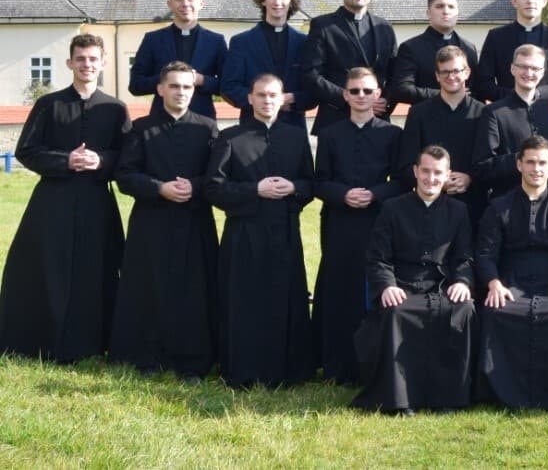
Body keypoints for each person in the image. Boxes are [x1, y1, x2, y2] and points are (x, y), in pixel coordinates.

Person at [0, 34, 130, 362]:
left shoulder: (115, 109)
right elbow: (26, 151)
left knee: (96, 268)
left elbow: (127, 158)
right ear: (70, 63)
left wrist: (100, 161)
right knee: (44, 266)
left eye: (93, 59)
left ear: (102, 63)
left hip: (96, 199)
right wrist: (65, 161)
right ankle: (38, 340)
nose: (87, 65)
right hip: (52, 199)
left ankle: (91, 342)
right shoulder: (49, 104)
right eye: (81, 59)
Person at [109, 61, 220, 378]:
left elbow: (216, 176)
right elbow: (125, 175)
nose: (181, 92)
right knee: (149, 287)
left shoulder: (207, 127)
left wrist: (194, 187)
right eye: (174, 86)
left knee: (194, 290)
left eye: (187, 87)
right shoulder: (141, 129)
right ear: (160, 89)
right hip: (151, 221)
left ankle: (193, 360)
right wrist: (159, 188)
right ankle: (147, 357)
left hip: (194, 220)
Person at [206, 73, 315, 387]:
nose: (268, 101)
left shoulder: (296, 138)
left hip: (285, 231)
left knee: (286, 298)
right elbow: (214, 189)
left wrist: (293, 186)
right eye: (261, 95)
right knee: (244, 301)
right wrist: (256, 189)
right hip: (244, 233)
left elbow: (310, 185)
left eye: (273, 95)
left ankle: (289, 371)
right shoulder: (231, 138)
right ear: (250, 99)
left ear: (282, 100)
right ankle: (243, 371)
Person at [352, 145, 477, 414]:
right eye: (426, 171)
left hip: (442, 286)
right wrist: (387, 285)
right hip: (403, 284)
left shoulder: (458, 210)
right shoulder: (392, 208)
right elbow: (377, 258)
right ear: (415, 171)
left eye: (438, 173)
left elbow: (465, 257)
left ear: (447, 176)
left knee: (463, 308)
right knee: (396, 311)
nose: (431, 179)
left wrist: (462, 282)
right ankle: (400, 400)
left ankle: (449, 398)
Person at [477, 137, 548, 412]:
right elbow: (485, 253)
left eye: (542, 163)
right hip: (511, 283)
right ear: (519, 164)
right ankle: (504, 395)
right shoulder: (498, 207)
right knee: (496, 313)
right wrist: (493, 283)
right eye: (530, 162)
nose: (536, 169)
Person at [313, 67, 406, 383]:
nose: (361, 96)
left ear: (378, 94)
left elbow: (404, 180)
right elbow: (319, 182)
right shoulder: (329, 134)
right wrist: (343, 194)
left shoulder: (393, 134)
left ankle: (375, 363)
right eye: (355, 91)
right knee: (339, 290)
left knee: (374, 288)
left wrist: (374, 194)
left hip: (378, 220)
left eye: (368, 91)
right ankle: (338, 365)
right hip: (340, 221)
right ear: (345, 94)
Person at [397, 46, 487, 228]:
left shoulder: (484, 113)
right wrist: (439, 182)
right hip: (429, 207)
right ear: (437, 76)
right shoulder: (418, 114)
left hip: (474, 205)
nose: (451, 76)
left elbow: (489, 162)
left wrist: (470, 178)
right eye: (445, 72)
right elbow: (405, 165)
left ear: (467, 72)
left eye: (456, 71)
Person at [303, 0, 398, 134]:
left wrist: (385, 99)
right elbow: (311, 75)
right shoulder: (323, 26)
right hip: (336, 120)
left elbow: (394, 74)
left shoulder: (385, 28)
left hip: (377, 121)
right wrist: (352, 98)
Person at [472, 44, 548, 208]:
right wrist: (522, 159)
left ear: (543, 72)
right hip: (507, 206)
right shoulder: (494, 113)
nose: (529, 73)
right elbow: (482, 168)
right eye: (523, 67)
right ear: (512, 69)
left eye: (535, 68)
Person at [128, 0, 228, 119]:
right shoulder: (153, 40)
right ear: (170, 4)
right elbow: (135, 86)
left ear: (201, 3)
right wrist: (167, 79)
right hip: (160, 122)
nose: (185, 4)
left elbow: (227, 86)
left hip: (203, 122)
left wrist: (201, 80)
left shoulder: (216, 41)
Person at [223, 0, 315, 127]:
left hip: (293, 127)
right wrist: (262, 103)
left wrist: (290, 98)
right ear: (263, 0)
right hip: (252, 126)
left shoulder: (304, 43)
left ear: (291, 1)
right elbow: (229, 87)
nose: (277, 2)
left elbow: (312, 90)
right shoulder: (241, 42)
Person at [388, 0, 480, 106]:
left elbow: (476, 89)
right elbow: (401, 89)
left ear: (457, 14)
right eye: (439, 6)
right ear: (428, 13)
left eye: (451, 7)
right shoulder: (410, 48)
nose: (446, 11)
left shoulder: (469, 49)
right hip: (426, 117)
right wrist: (444, 94)